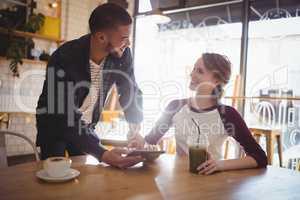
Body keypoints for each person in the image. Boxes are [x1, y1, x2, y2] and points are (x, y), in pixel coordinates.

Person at [36, 3, 144, 168]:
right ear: (101, 37)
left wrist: (135, 128)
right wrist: (103, 153)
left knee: (83, 175)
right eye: (123, 38)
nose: (128, 43)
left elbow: (130, 90)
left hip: (86, 127)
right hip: (55, 125)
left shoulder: (123, 55)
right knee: (54, 176)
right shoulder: (65, 57)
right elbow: (65, 115)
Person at [129, 53, 267, 174]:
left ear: (216, 81)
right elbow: (149, 141)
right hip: (179, 181)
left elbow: (260, 157)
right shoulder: (175, 106)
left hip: (213, 184)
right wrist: (144, 145)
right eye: (194, 69)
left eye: (199, 71)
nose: (192, 74)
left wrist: (221, 164)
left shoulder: (227, 114)